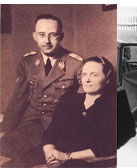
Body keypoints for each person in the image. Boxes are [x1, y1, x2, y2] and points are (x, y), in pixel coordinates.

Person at [0, 14, 83, 166]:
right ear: (34, 36)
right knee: (4, 147)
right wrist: (5, 129)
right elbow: (18, 98)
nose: (47, 41)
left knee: (24, 160)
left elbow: (83, 104)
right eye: (42, 35)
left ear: (61, 36)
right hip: (30, 122)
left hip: (58, 124)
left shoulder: (76, 64)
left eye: (53, 35)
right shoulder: (28, 61)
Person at [41, 56, 116, 167]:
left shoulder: (112, 105)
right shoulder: (68, 99)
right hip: (56, 155)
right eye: (84, 74)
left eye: (94, 75)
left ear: (108, 79)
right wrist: (50, 155)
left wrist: (66, 156)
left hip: (86, 160)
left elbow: (107, 146)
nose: (87, 80)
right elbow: (51, 132)